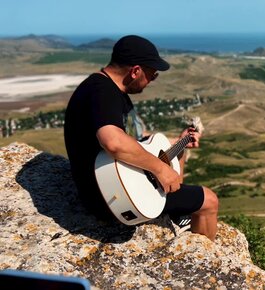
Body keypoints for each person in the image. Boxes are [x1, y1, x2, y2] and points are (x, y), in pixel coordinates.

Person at [64, 35, 218, 241]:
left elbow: (136, 140)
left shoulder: (105, 89)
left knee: (177, 153)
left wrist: (180, 141)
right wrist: (160, 168)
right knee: (209, 201)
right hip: (110, 197)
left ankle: (175, 210)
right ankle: (205, 260)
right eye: (152, 76)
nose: (151, 81)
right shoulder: (103, 92)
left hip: (114, 184)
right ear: (135, 71)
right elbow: (113, 141)